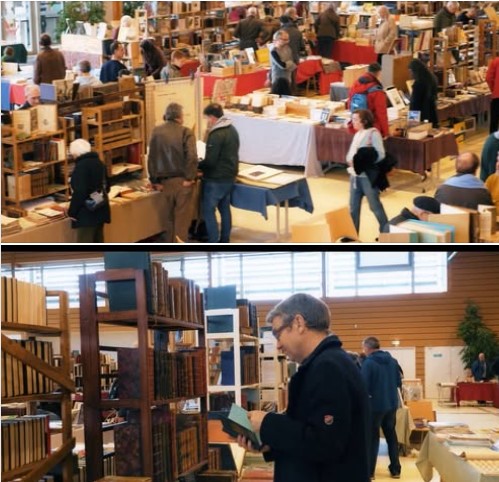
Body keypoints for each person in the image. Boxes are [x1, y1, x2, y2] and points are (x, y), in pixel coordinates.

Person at [237, 293, 371, 482]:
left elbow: (325, 443)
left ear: (298, 323)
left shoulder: (328, 368)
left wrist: (267, 423)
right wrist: (269, 443)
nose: (278, 345)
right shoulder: (327, 363)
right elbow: (309, 431)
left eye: (278, 334)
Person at [147, 102, 197, 243]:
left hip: (164, 183)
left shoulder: (156, 132)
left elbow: (151, 158)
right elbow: (192, 156)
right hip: (182, 183)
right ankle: (180, 252)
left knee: (168, 221)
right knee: (181, 221)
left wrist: (154, 181)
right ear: (179, 117)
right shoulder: (186, 132)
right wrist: (190, 177)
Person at [198, 103, 240, 244]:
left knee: (209, 210)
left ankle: (213, 240)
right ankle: (225, 239)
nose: (207, 122)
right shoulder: (232, 130)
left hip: (215, 179)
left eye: (207, 118)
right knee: (224, 209)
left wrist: (198, 166)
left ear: (212, 117)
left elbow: (210, 161)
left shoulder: (216, 134)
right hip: (229, 176)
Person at [361, 336, 402, 480]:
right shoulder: (392, 361)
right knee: (391, 436)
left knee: (373, 438)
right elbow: (398, 382)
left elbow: (363, 386)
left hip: (375, 406)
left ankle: (370, 472)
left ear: (367, 347)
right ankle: (395, 470)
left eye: (363, 348)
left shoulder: (368, 363)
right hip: (391, 404)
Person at [346, 109, 389, 235]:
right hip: (354, 176)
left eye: (355, 119)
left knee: (374, 206)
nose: (352, 122)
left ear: (364, 121)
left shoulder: (373, 134)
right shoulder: (358, 133)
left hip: (367, 178)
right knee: (353, 207)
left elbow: (380, 154)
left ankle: (385, 231)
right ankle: (353, 235)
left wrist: (363, 162)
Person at [67, 139, 110, 243]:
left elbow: (80, 193)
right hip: (100, 209)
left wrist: (72, 212)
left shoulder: (81, 167)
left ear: (76, 153)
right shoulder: (100, 163)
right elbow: (107, 187)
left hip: (86, 214)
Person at [347, 63, 389, 138]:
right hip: (371, 129)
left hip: (356, 126)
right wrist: (386, 132)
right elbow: (381, 113)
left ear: (367, 70)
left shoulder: (355, 84)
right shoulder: (376, 90)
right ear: (379, 73)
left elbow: (350, 104)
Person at [408, 58, 439, 127]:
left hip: (421, 116)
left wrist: (412, 122)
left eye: (411, 72)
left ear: (415, 71)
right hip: (431, 113)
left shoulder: (418, 84)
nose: (410, 75)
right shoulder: (432, 78)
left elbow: (415, 104)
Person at [268, 30, 296, 96]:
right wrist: (290, 63)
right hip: (278, 79)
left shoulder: (288, 48)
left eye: (288, 39)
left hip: (288, 77)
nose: (287, 41)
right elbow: (282, 65)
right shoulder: (273, 51)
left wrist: (289, 64)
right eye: (284, 39)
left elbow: (294, 62)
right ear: (277, 39)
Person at [486, 57, 499, 133]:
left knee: (494, 122)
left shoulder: (496, 61)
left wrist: (494, 89)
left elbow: (488, 78)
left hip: (497, 97)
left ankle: (493, 143)